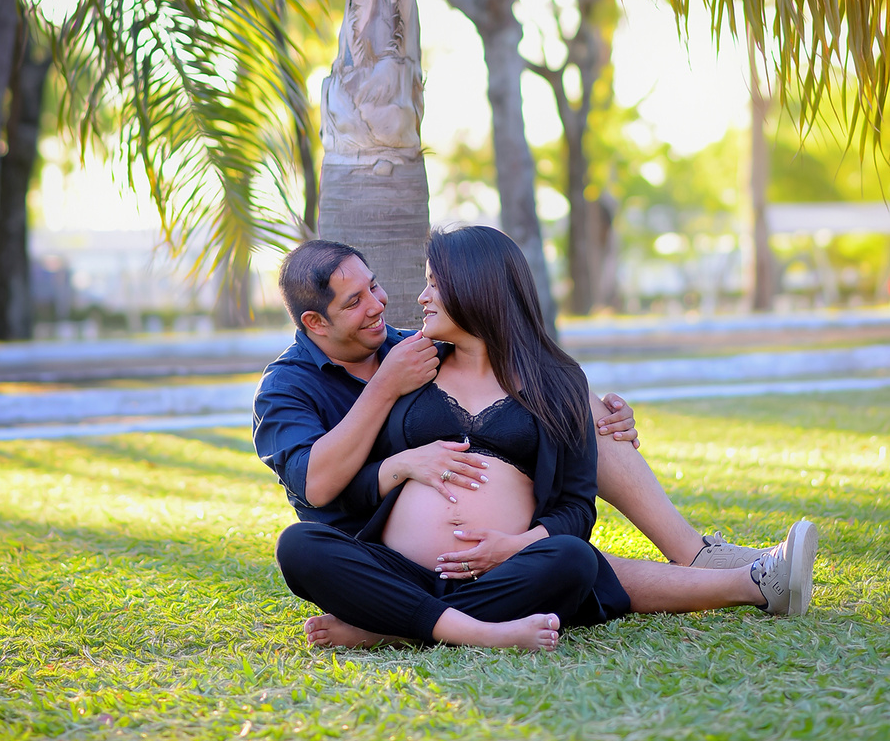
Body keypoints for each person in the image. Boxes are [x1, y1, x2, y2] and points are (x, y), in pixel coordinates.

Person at [256, 234, 817, 649]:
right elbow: (320, 487)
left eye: (374, 286)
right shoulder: (292, 386)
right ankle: (455, 624)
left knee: (570, 556)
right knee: (298, 545)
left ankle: (397, 626)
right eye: (354, 302)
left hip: (501, 559)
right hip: (374, 559)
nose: (381, 304)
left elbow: (507, 361)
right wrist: (395, 436)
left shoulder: (415, 347)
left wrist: (600, 415)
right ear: (315, 322)